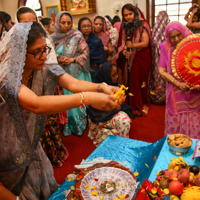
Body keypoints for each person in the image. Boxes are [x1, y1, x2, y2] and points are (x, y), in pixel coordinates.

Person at [0, 22, 121, 200]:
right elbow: (36, 104)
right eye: (37, 51)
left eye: (45, 49)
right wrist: (87, 99)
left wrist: (102, 87)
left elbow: (73, 83)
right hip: (9, 148)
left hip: (31, 142)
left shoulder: (43, 66)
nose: (44, 56)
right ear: (20, 54)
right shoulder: (6, 78)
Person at [52, 11, 92, 136]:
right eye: (63, 22)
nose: (66, 25)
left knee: (78, 102)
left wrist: (72, 59)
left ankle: (80, 125)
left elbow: (85, 53)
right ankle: (68, 126)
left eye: (69, 22)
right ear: (58, 22)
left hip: (76, 73)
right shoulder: (52, 38)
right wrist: (58, 60)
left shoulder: (77, 35)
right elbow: (49, 56)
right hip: (62, 74)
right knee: (66, 103)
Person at [158, 21, 200, 139]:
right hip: (176, 93)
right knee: (175, 125)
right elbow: (161, 71)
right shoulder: (165, 47)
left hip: (194, 94)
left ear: (183, 32)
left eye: (179, 35)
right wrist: (178, 84)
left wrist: (198, 84)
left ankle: (193, 151)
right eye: (172, 37)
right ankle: (174, 148)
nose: (176, 39)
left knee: (194, 123)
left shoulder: (194, 43)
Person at [116, 4, 152, 116]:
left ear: (135, 13)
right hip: (129, 57)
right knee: (130, 80)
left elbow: (145, 43)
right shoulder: (125, 26)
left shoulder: (142, 24)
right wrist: (124, 50)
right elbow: (122, 43)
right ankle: (130, 104)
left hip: (141, 57)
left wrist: (131, 45)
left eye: (130, 14)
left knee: (140, 81)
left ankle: (139, 104)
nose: (128, 17)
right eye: (125, 15)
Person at [88, 62, 134, 146]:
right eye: (113, 75)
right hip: (100, 121)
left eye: (117, 74)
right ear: (106, 76)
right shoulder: (97, 89)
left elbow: (121, 107)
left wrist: (120, 101)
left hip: (112, 116)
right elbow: (95, 113)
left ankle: (124, 146)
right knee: (109, 141)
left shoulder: (116, 86)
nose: (117, 77)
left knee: (124, 121)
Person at [149, 11, 169, 105]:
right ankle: (165, 95)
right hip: (165, 58)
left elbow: (153, 44)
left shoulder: (155, 29)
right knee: (164, 75)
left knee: (156, 75)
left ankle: (156, 94)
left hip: (155, 58)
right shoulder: (168, 29)